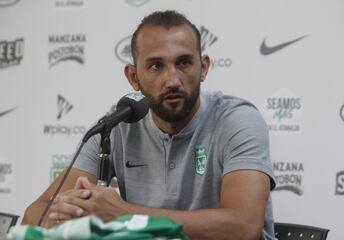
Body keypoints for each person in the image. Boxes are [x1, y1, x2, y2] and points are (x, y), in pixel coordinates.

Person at [22, 10, 276, 240]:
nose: (172, 80)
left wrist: (123, 214)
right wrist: (71, 214)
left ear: (204, 68)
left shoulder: (237, 120)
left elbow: (243, 227)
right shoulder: (117, 125)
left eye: (184, 63)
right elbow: (35, 213)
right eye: (156, 66)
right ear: (134, 77)